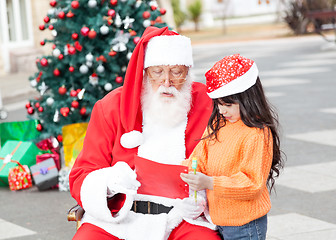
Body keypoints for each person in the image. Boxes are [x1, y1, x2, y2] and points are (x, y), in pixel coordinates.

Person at [69, 26, 221, 240]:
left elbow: (234, 160)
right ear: (145, 71)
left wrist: (203, 195)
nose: (166, 82)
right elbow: (81, 174)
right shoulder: (111, 107)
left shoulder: (209, 105)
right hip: (120, 217)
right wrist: (111, 181)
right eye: (157, 72)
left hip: (183, 217)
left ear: (187, 71)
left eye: (176, 72)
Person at [181, 54, 285, 240]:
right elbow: (199, 157)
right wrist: (185, 170)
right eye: (218, 104)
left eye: (228, 104)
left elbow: (252, 183)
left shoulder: (256, 133)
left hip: (246, 224)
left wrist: (209, 182)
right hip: (217, 219)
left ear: (248, 99)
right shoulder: (218, 124)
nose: (221, 111)